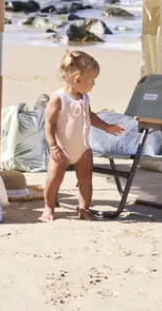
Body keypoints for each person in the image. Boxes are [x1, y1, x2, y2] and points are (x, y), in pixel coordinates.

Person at [40, 50, 123, 221]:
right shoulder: (59, 98)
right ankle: (48, 207)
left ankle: (84, 208)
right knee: (54, 180)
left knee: (85, 180)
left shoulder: (85, 98)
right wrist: (53, 146)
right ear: (78, 79)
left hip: (83, 149)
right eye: (92, 79)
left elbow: (90, 116)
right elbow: (49, 124)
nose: (94, 83)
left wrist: (106, 127)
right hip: (61, 149)